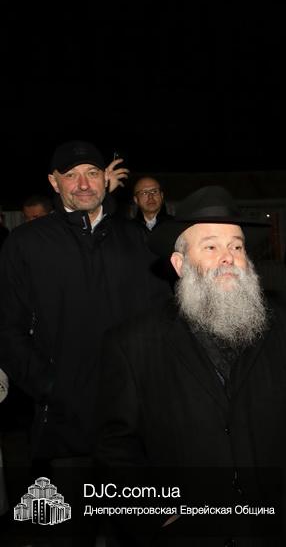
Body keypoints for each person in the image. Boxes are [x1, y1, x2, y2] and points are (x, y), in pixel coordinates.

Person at [96, 185, 286, 545]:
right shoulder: (132, 343)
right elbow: (116, 445)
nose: (228, 257)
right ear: (180, 264)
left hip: (282, 525)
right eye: (211, 247)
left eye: (237, 247)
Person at [0, 141, 167, 466]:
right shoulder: (25, 244)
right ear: (54, 182)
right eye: (71, 175)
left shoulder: (137, 239)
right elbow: (8, 328)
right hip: (63, 428)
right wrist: (50, 386)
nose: (83, 184)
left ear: (105, 178)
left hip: (133, 426)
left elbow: (160, 319)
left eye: (91, 173)